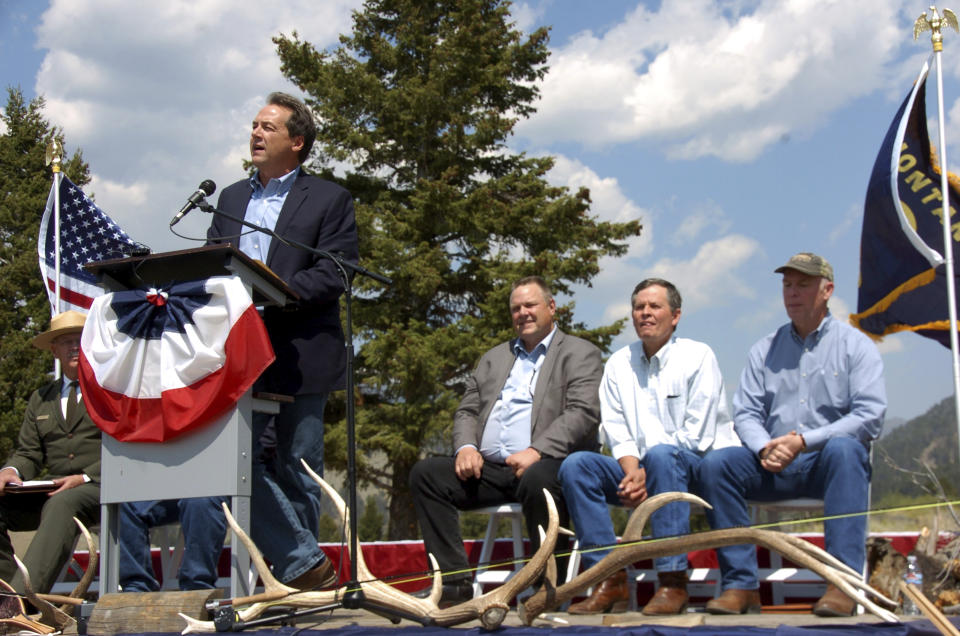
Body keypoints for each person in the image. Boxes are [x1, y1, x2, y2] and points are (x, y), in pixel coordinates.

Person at [206, 91, 359, 589]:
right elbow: (210, 265)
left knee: (297, 467)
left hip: (299, 350)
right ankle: (302, 567)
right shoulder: (230, 198)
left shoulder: (329, 198)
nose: (255, 133)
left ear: (297, 142)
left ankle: (295, 593)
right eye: (253, 125)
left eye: (268, 127)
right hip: (233, 351)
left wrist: (277, 291)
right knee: (233, 460)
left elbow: (336, 272)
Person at [699, 253, 886, 617]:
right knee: (717, 464)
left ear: (827, 290)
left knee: (847, 450)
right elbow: (747, 413)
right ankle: (740, 585)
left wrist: (803, 441)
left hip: (827, 468)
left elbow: (870, 416)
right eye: (787, 285)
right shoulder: (763, 349)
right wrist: (764, 446)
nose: (793, 293)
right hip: (772, 466)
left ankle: (842, 584)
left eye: (804, 285)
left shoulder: (856, 345)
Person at [409, 276, 603, 605]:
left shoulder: (579, 353)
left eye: (530, 305)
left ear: (551, 308)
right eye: (516, 308)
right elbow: (467, 411)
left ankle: (546, 584)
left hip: (548, 463)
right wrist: (467, 447)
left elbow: (583, 413)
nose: (523, 313)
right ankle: (454, 584)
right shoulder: (494, 358)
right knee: (426, 474)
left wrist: (537, 450)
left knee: (539, 477)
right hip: (491, 470)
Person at [559, 279, 739, 615]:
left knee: (662, 457)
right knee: (577, 465)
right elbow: (615, 429)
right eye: (639, 307)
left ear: (676, 316)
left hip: (698, 472)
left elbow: (695, 435)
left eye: (654, 306)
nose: (645, 313)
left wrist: (648, 472)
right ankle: (608, 579)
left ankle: (672, 583)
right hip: (639, 471)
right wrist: (633, 472)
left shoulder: (698, 356)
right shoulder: (618, 364)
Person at [0, 311, 100, 594]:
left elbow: (124, 445)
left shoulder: (110, 389)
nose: (72, 347)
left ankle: (25, 601)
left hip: (99, 486)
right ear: (54, 351)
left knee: (62, 503)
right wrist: (10, 471)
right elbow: (29, 453)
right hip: (53, 489)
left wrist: (83, 477)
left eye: (78, 340)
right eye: (65, 342)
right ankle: (7, 595)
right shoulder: (41, 398)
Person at [117, 497, 228, 592]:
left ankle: (197, 589)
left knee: (200, 501)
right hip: (174, 486)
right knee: (126, 504)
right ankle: (136, 590)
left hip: (223, 487)